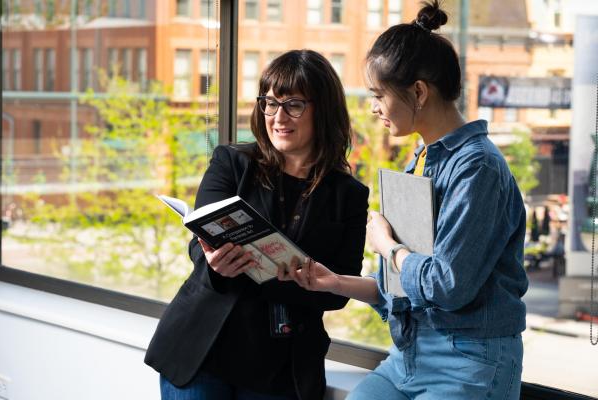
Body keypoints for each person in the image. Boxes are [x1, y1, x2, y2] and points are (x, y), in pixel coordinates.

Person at [280, 2, 529, 399]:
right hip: (408, 356)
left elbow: (447, 287)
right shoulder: (422, 160)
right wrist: (334, 281)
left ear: (418, 92)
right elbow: (406, 288)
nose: (374, 107)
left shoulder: (478, 168)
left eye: (379, 95)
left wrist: (389, 247)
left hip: (469, 362)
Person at [144, 49, 369, 400]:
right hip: (202, 350)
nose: (278, 117)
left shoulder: (349, 194)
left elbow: (340, 287)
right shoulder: (231, 162)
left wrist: (285, 281)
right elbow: (200, 246)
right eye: (269, 102)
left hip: (281, 368)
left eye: (294, 104)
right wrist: (218, 267)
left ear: (322, 110)